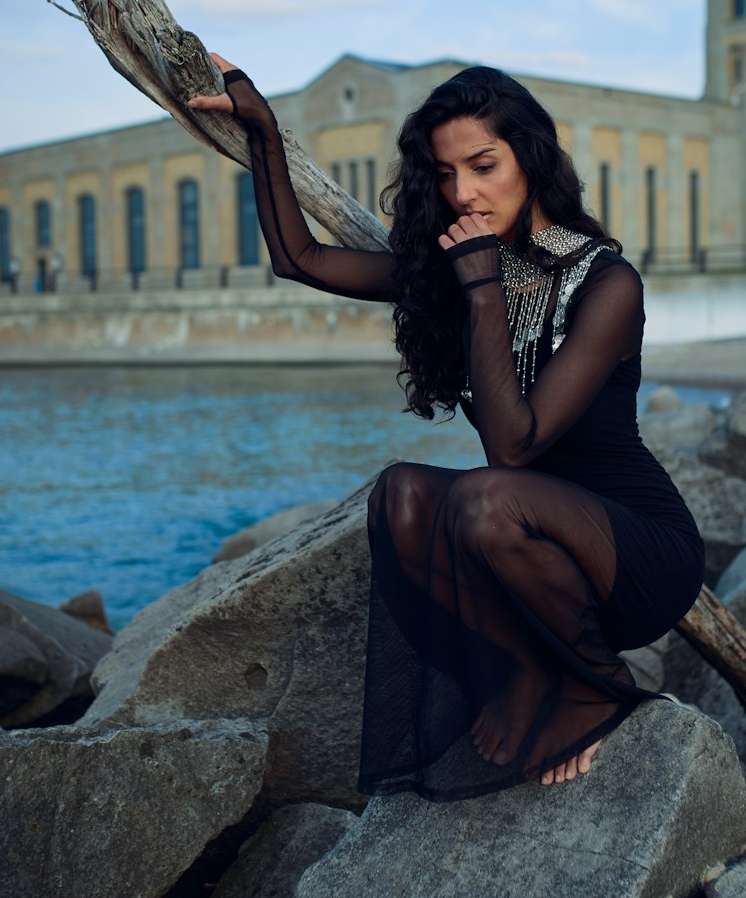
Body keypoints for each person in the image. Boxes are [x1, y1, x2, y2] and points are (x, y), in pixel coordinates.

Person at [189, 59, 704, 799]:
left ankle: (593, 685)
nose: (463, 192)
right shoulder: (454, 261)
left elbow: (515, 448)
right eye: (444, 173)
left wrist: (483, 286)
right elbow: (298, 259)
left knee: (483, 498)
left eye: (484, 164)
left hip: (635, 558)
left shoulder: (605, 281)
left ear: (530, 156)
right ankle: (530, 668)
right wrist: (264, 132)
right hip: (526, 553)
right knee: (400, 493)